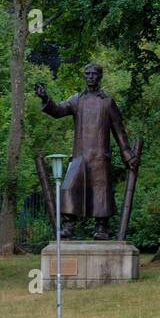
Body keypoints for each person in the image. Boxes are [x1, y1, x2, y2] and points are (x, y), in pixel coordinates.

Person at [34, 62, 139, 241]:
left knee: (101, 192)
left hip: (99, 157)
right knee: (71, 188)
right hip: (80, 156)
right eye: (87, 74)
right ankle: (69, 227)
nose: (90, 77)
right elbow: (58, 110)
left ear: (100, 77)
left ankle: (101, 228)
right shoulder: (77, 100)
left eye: (94, 74)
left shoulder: (107, 102)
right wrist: (46, 99)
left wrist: (126, 152)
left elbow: (118, 130)